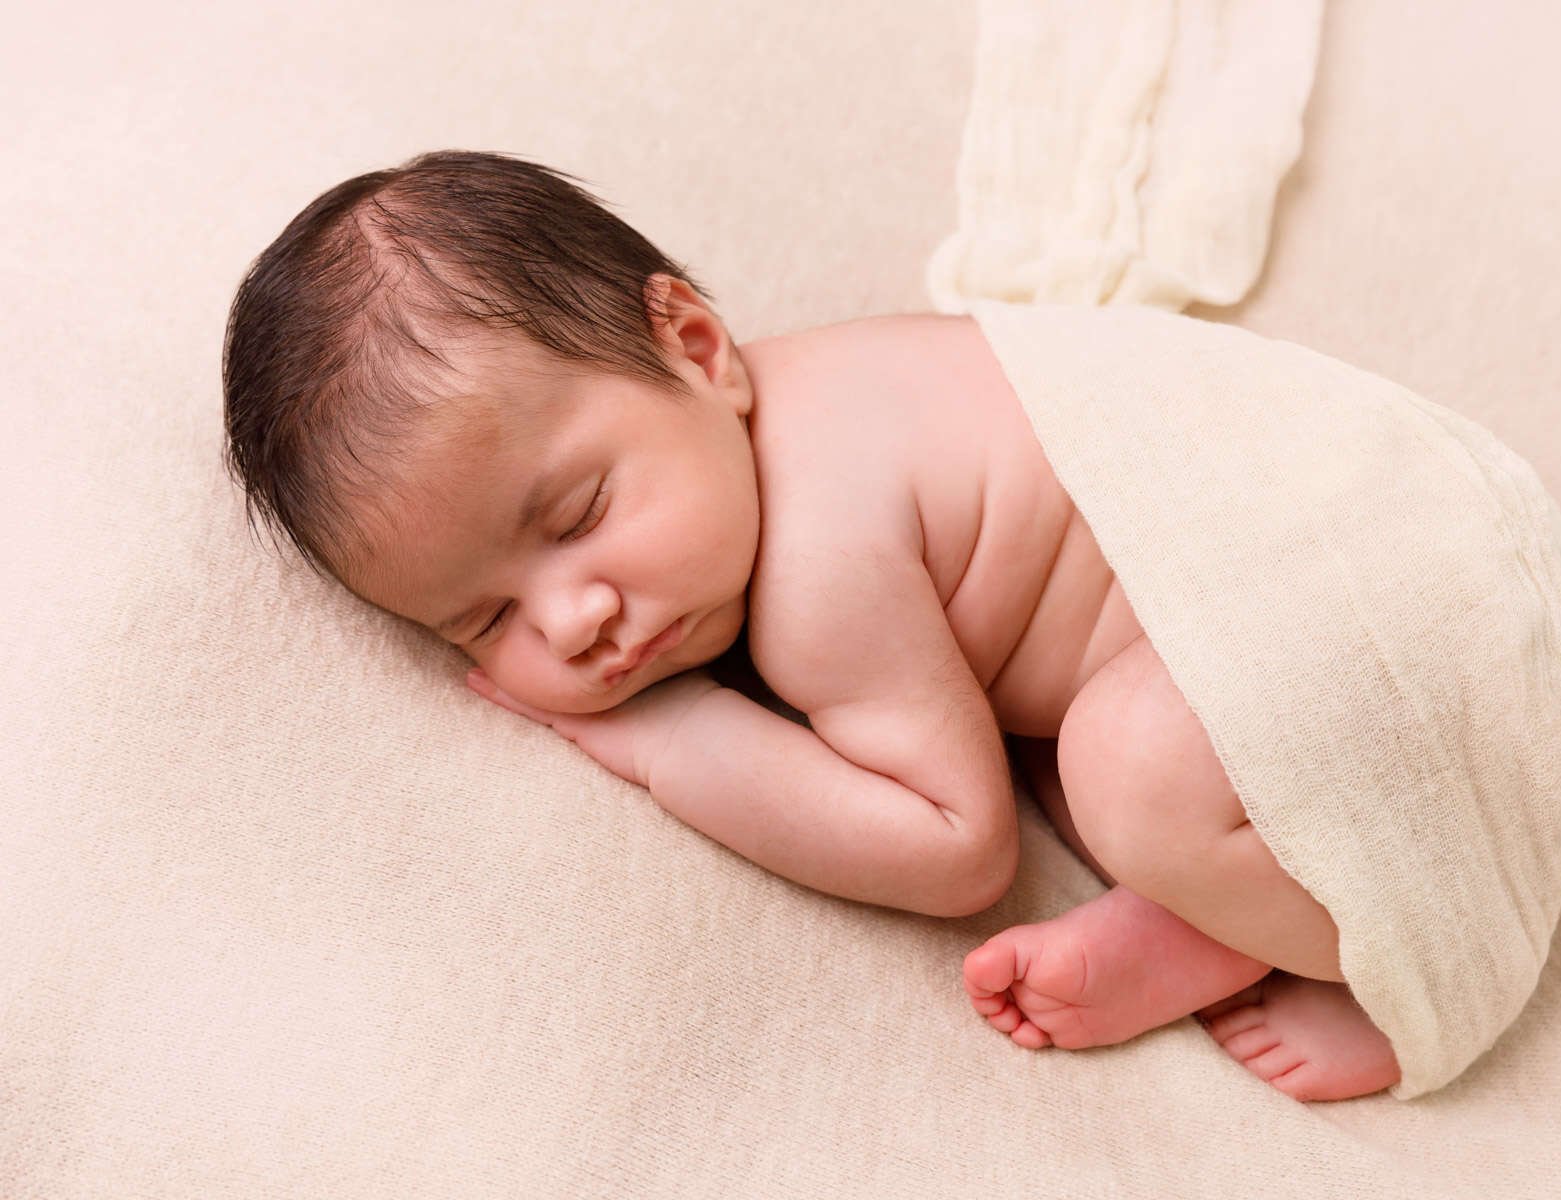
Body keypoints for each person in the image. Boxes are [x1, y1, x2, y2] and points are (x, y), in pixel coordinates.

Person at [222, 149, 1402, 1101]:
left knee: (1122, 767)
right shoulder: (817, 387)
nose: (573, 621)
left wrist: (669, 741)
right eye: (482, 618)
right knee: (1057, 735)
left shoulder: (818, 566)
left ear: (694, 347)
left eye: (580, 514)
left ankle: (1369, 948)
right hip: (1328, 538)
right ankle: (1206, 904)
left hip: (1372, 598)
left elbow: (956, 848)